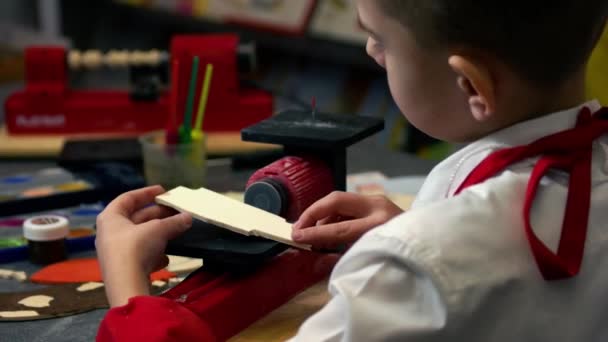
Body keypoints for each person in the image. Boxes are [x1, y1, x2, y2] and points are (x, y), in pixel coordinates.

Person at [96, 0, 608, 340]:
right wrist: (421, 228)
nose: (370, 51)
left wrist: (127, 287)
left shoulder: (407, 265)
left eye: (381, 39)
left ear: (472, 87)